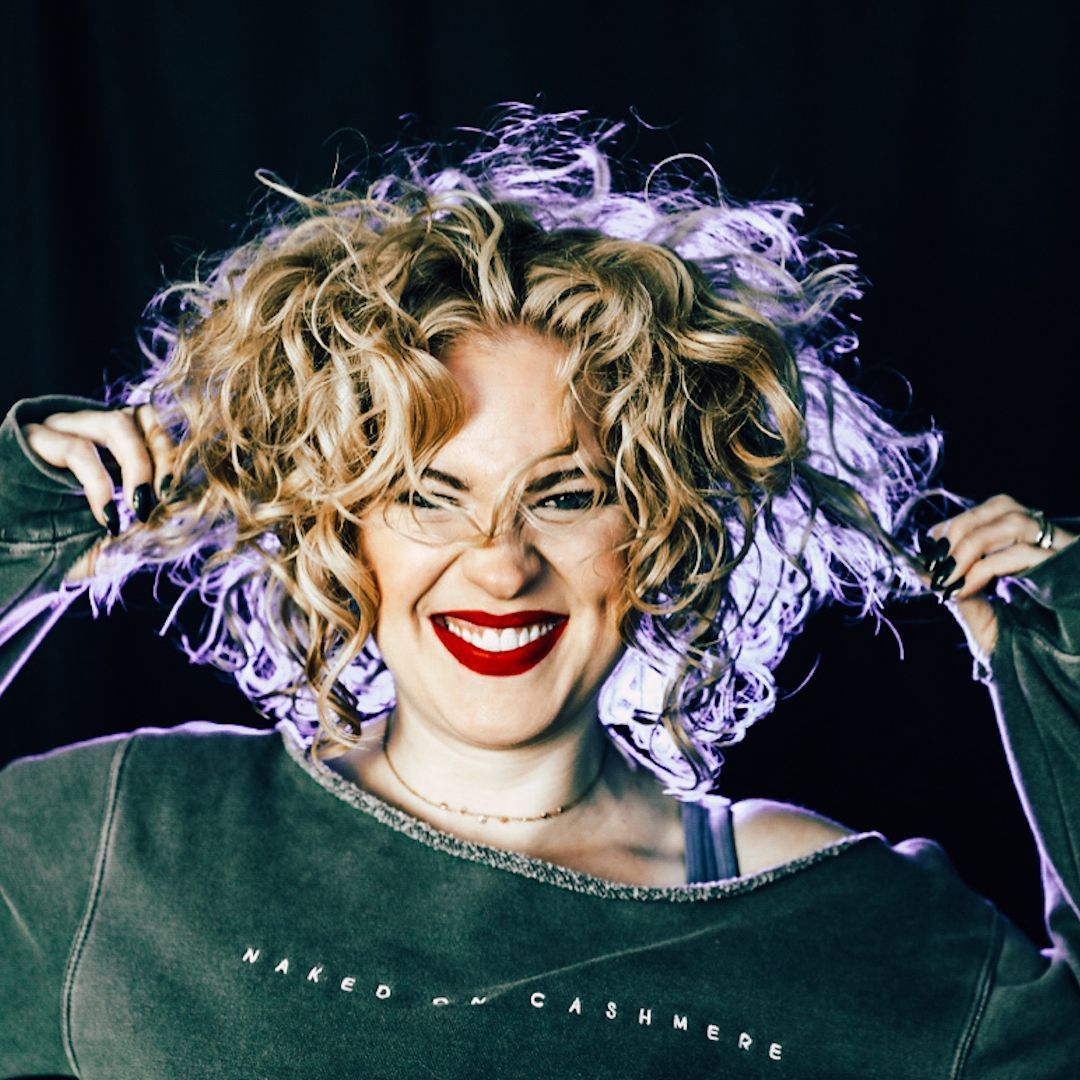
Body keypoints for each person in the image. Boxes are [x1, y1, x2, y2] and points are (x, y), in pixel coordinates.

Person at [1, 108, 1078, 1077]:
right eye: (430, 495)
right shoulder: (121, 837)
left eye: (566, 495)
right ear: (340, 526)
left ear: (660, 528)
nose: (500, 561)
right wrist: (18, 523)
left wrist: (1069, 658)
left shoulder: (850, 927)